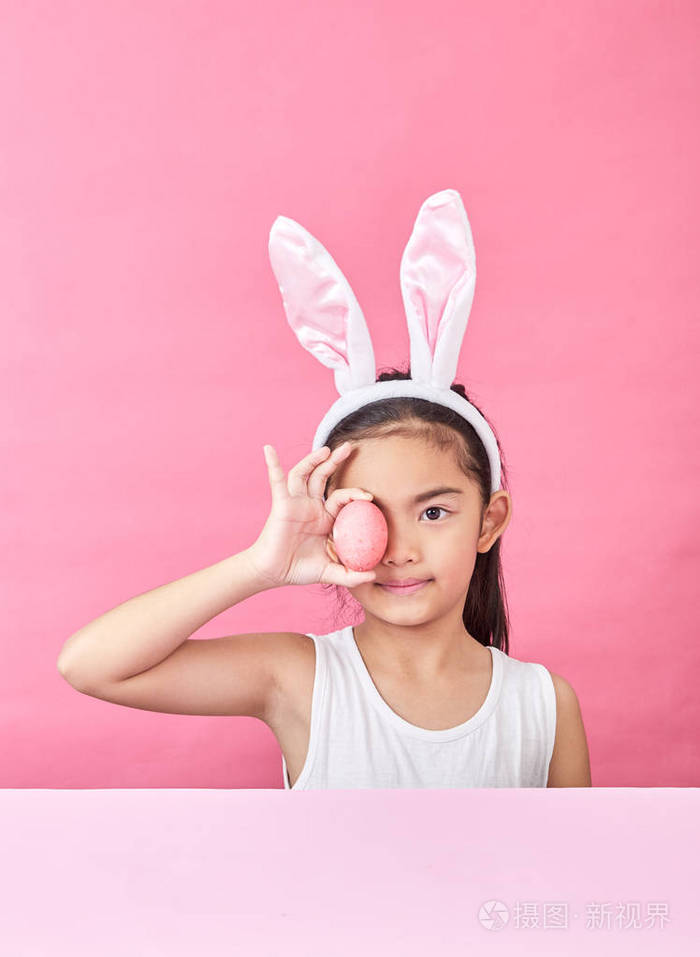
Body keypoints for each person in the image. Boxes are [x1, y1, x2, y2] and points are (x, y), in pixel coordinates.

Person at [56, 188, 592, 789]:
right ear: (332, 523)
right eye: (368, 513)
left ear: (489, 521)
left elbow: (568, 876)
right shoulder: (299, 677)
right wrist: (260, 567)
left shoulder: (544, 705)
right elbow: (90, 666)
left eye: (434, 512)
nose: (398, 549)